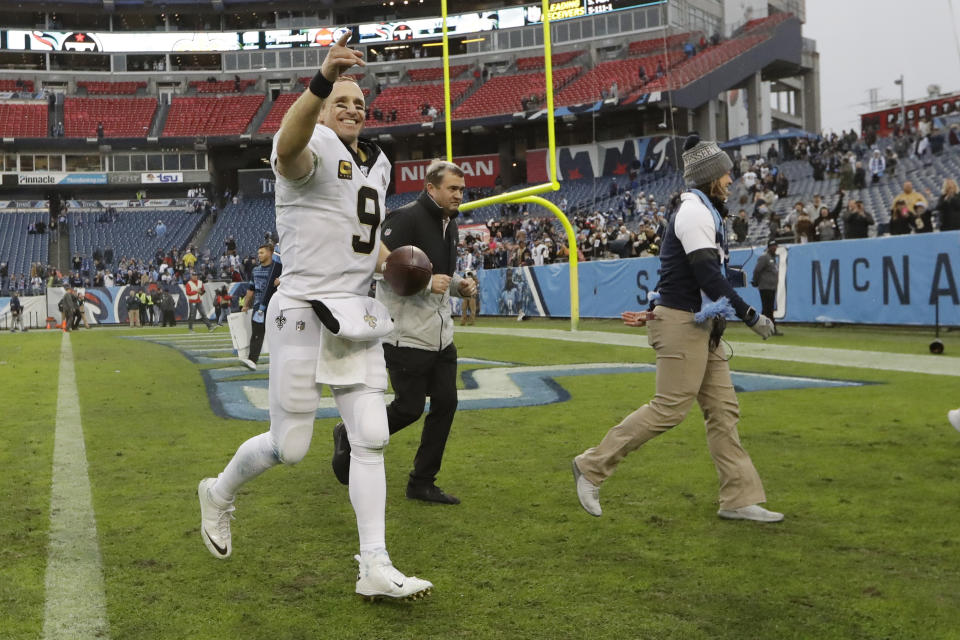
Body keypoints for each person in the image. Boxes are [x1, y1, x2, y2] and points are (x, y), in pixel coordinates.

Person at [197, 31, 432, 601]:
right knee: (291, 446)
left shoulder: (375, 163)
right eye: (340, 101)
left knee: (372, 436)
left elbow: (365, 241)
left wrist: (400, 267)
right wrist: (321, 80)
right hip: (302, 308)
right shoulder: (310, 146)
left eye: (359, 104)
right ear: (324, 107)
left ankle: (373, 564)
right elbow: (287, 141)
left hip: (352, 314)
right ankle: (218, 492)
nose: (352, 109)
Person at [571, 134, 782, 523]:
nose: (731, 181)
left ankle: (737, 497)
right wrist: (750, 315)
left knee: (723, 410)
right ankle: (592, 466)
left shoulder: (702, 210)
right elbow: (706, 274)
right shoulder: (694, 213)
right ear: (710, 176)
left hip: (700, 323)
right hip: (685, 322)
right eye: (726, 174)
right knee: (669, 408)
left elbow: (698, 275)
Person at [330, 160, 476, 505]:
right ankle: (349, 436)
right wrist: (429, 285)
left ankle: (422, 481)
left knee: (446, 404)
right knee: (409, 408)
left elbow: (436, 277)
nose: (459, 194)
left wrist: (458, 287)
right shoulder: (405, 218)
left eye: (461, 189)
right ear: (431, 187)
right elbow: (384, 271)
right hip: (405, 335)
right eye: (452, 188)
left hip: (441, 336)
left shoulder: (449, 225)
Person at [239, 242, 282, 370]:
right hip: (258, 307)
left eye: (262, 252)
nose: (259, 255)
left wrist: (281, 281)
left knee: (279, 334)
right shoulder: (255, 270)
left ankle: (280, 362)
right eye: (258, 253)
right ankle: (253, 360)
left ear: (270, 253)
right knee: (257, 333)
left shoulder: (280, 269)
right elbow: (251, 289)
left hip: (276, 305)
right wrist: (246, 304)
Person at [752, 240, 781, 336]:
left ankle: (763, 328)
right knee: (768, 309)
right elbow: (757, 270)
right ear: (768, 247)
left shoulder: (772, 258)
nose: (775, 248)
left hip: (771, 288)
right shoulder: (764, 257)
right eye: (772, 246)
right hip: (765, 287)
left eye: (775, 246)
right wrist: (755, 281)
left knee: (767, 310)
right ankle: (772, 329)